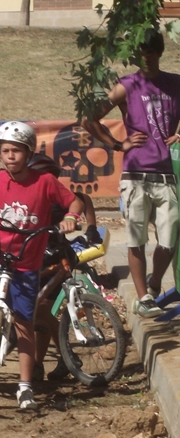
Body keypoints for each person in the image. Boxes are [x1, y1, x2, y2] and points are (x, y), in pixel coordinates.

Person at [0, 122, 85, 410]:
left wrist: (71, 217)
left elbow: (74, 202)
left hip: (26, 264)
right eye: (5, 150)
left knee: (24, 323)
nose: (10, 156)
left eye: (16, 151)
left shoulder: (44, 182)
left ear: (28, 152)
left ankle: (24, 386)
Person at [82, 28, 180, 318]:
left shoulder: (175, 83)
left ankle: (153, 284)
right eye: (141, 52)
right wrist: (117, 144)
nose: (146, 57)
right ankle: (143, 298)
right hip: (136, 173)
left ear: (160, 52)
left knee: (169, 237)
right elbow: (89, 117)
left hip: (166, 175)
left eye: (151, 50)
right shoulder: (127, 85)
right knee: (137, 238)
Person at [29, 153, 102, 381]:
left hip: (55, 259)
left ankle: (58, 359)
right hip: (33, 259)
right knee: (40, 315)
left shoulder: (58, 196)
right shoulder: (30, 194)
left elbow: (82, 198)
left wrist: (91, 228)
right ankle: (41, 363)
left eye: (51, 177)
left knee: (41, 312)